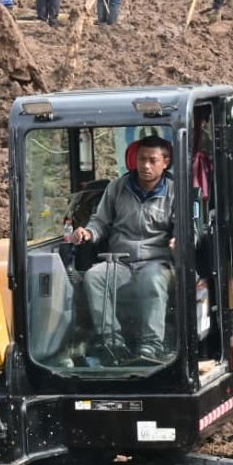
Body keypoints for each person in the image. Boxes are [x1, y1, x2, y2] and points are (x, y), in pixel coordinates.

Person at [71, 136, 175, 364]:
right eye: (141, 159)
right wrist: (88, 233)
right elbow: (99, 221)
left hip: (156, 262)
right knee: (95, 277)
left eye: (152, 160)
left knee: (152, 281)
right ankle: (112, 343)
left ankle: (151, 346)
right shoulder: (117, 187)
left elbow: (189, 228)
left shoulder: (175, 191)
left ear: (165, 162)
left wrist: (180, 239)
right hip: (121, 262)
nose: (145, 166)